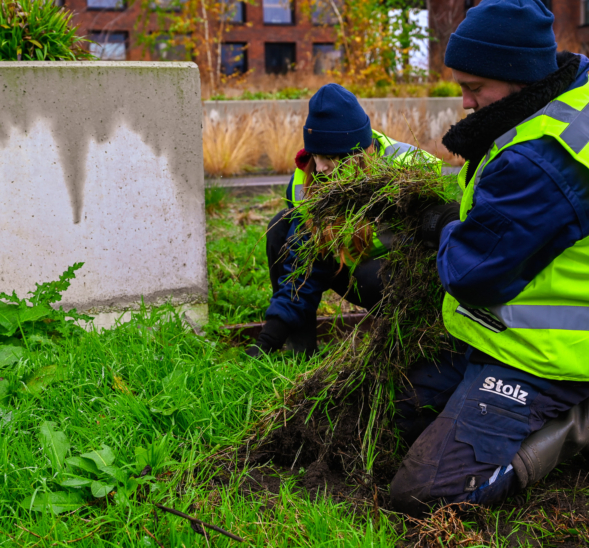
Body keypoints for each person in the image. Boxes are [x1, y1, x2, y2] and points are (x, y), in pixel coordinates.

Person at [389, 0, 589, 516]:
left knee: (425, 494)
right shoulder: (565, 97)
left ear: (520, 77)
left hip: (546, 360)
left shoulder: (543, 162)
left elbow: (473, 274)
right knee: (402, 409)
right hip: (502, 335)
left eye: (475, 89)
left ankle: (577, 423)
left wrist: (444, 227)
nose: (466, 104)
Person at [245, 84, 436, 358]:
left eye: (330, 157)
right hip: (344, 262)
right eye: (315, 155)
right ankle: (300, 351)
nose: (320, 167)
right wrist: (269, 336)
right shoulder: (307, 179)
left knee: (375, 275)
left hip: (396, 281)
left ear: (358, 153)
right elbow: (304, 260)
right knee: (281, 226)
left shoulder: (409, 172)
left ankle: (404, 350)